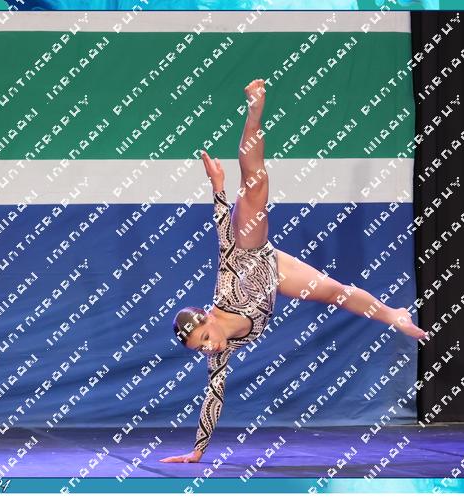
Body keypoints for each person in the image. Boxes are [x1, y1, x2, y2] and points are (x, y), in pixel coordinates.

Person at [160, 79, 427, 463]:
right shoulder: (221, 352)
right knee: (336, 293)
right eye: (200, 348)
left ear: (206, 317)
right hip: (275, 275)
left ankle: (254, 110)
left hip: (247, 249)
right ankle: (394, 314)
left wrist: (217, 188)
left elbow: (223, 237)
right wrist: (198, 451)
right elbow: (213, 397)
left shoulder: (225, 293)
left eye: (204, 338)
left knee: (255, 184)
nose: (208, 347)